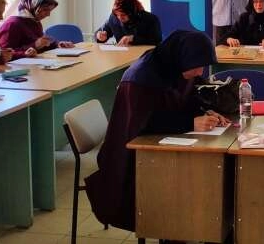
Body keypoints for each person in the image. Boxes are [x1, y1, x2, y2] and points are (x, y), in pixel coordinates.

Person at [85, 30, 231, 231]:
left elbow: (187, 99)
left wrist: (205, 111)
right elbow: (145, 123)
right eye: (197, 66)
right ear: (183, 57)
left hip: (168, 142)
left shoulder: (177, 64)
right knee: (189, 181)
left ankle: (201, 226)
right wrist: (191, 123)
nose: (200, 72)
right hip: (132, 158)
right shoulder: (141, 78)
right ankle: (176, 229)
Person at [0, 0, 74, 59]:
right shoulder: (12, 24)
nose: (48, 14)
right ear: (32, 5)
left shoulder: (34, 21)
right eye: (45, 10)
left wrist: (57, 44)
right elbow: (4, 55)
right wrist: (33, 46)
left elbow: (40, 45)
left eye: (50, 10)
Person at [95, 0, 162, 46]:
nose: (119, 17)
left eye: (123, 15)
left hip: (144, 56)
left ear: (131, 13)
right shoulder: (114, 18)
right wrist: (99, 36)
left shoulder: (150, 19)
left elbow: (156, 41)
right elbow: (101, 31)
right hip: (122, 56)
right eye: (117, 14)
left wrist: (133, 38)